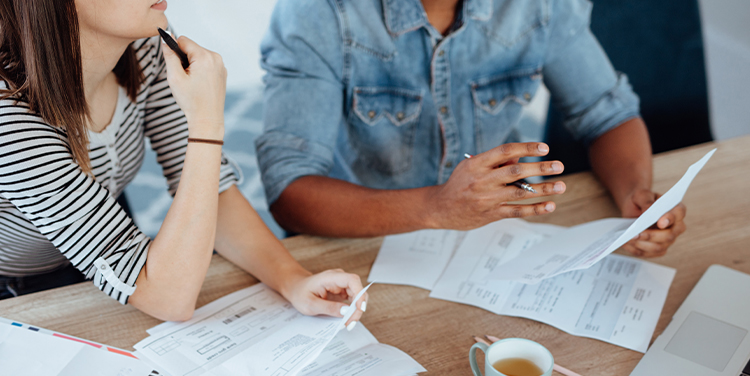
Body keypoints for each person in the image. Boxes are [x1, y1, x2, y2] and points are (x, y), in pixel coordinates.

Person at [0, 0, 366, 327]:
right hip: (17, 284)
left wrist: (293, 279)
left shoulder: (143, 41)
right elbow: (168, 298)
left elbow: (209, 186)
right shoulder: (9, 122)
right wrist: (206, 122)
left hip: (101, 221)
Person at [256, 0, 686, 258]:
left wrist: (636, 196)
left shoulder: (536, 6)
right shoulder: (317, 12)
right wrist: (438, 207)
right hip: (357, 237)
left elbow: (608, 115)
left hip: (489, 241)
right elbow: (289, 191)